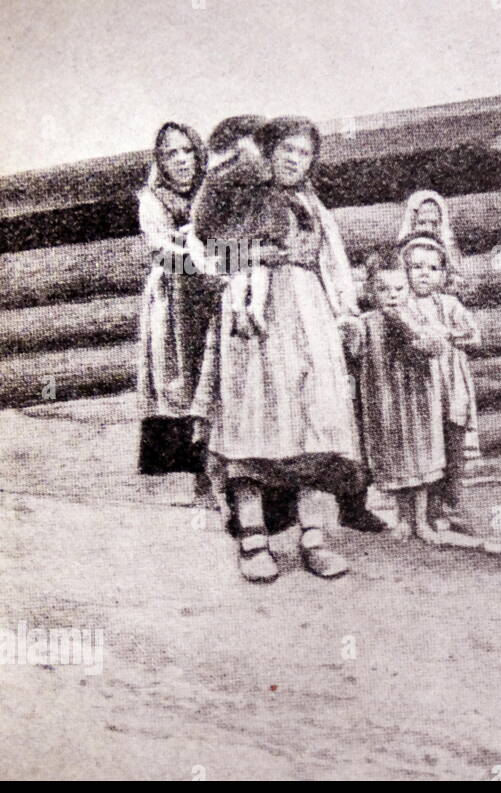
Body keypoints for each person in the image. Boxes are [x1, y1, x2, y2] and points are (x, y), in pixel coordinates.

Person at [201, 116, 364, 582]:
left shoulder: (312, 205)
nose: (295, 160)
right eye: (287, 150)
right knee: (256, 421)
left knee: (315, 423)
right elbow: (199, 258)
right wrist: (253, 257)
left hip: (311, 320)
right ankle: (253, 539)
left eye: (305, 153)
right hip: (255, 326)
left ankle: (313, 535)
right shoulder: (240, 199)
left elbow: (333, 262)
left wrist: (346, 313)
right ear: (268, 152)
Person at [347, 252, 449, 542]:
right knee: (396, 460)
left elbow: (436, 346)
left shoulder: (418, 316)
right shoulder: (367, 323)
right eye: (383, 289)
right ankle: (403, 518)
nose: (392, 296)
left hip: (418, 404)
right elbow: (352, 350)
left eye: (399, 289)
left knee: (420, 458)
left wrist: (411, 329)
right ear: (371, 291)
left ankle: (421, 521)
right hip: (386, 404)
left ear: (408, 287)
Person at [136, 121, 209, 497]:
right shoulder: (153, 200)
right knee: (180, 379)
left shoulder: (212, 192)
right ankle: (194, 484)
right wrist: (206, 256)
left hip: (212, 297)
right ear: (160, 160)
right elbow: (164, 254)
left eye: (187, 151)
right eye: (171, 153)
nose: (181, 160)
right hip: (172, 301)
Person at [398, 233, 482, 534]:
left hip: (450, 385)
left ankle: (449, 505)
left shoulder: (449, 304)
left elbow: (475, 337)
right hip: (417, 390)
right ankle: (418, 513)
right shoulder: (401, 306)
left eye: (433, 268)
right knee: (423, 446)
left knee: (452, 444)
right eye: (417, 267)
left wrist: (448, 335)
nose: (424, 274)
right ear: (405, 270)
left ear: (443, 273)